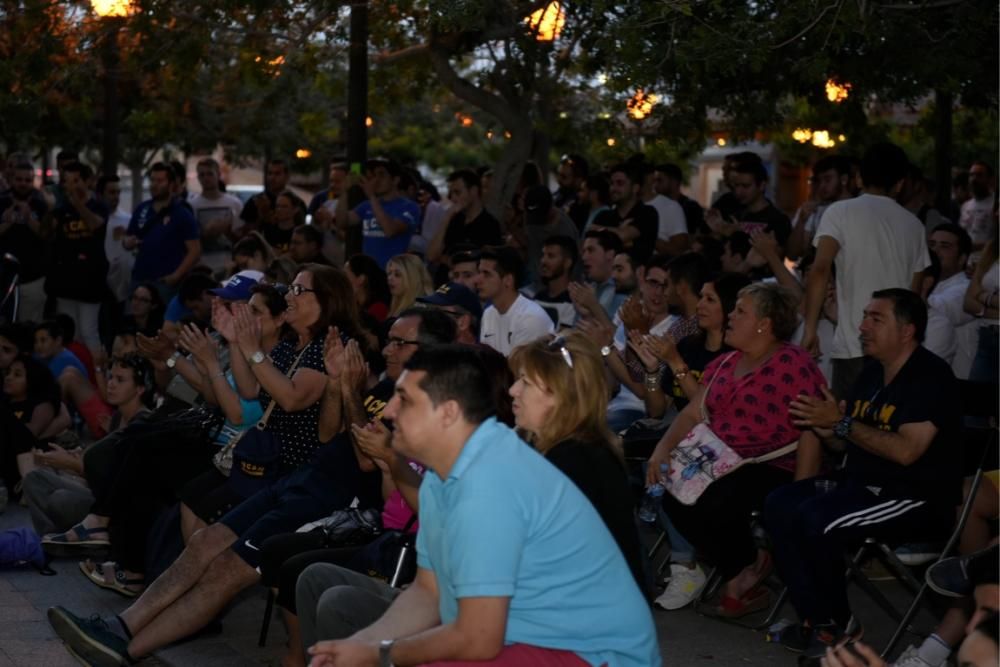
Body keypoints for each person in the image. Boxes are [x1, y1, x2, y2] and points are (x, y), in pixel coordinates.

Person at [306, 345, 661, 667]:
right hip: (529, 637)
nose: (389, 409)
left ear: (447, 413)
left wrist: (379, 654)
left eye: (404, 399)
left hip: (592, 653)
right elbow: (429, 592)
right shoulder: (441, 475)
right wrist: (362, 642)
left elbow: (477, 639)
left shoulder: (491, 480)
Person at [771, 289, 962, 663]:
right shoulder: (872, 372)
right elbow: (848, 445)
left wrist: (840, 423)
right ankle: (821, 619)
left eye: (876, 319)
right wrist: (828, 427)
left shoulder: (930, 376)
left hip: (913, 495)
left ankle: (833, 626)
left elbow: (907, 452)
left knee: (816, 520)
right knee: (780, 504)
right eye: (865, 317)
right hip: (863, 483)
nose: (862, 327)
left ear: (907, 331)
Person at [646, 282, 826, 614]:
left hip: (771, 465)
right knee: (668, 487)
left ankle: (743, 571)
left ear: (765, 323)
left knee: (715, 497)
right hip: (718, 458)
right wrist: (662, 450)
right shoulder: (725, 363)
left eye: (740, 311)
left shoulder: (794, 364)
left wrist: (800, 493)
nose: (730, 316)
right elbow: (691, 413)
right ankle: (747, 565)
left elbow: (813, 429)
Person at [508, 332, 648, 595]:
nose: (513, 390)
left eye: (525, 382)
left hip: (589, 613)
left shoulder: (575, 462)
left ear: (561, 395)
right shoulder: (550, 447)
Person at [802, 142, 930, 399]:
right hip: (897, 350)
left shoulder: (839, 212)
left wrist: (810, 328)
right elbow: (913, 297)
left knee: (846, 427)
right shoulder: (914, 225)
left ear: (859, 177)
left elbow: (820, 269)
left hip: (855, 343)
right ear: (900, 183)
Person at [636, 273, 751, 420]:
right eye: (701, 297)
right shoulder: (687, 346)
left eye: (710, 299)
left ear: (729, 307)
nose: (699, 305)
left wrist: (675, 361)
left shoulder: (736, 355)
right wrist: (651, 370)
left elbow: (706, 410)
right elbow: (657, 410)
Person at [45, 161, 109, 354]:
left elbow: (96, 225)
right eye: (67, 182)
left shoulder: (98, 205)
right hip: (66, 278)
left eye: (76, 180)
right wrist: (50, 209)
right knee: (68, 331)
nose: (71, 186)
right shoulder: (61, 208)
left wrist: (78, 204)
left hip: (91, 279)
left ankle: (97, 374)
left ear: (87, 181)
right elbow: (46, 233)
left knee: (88, 331)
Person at [125, 162, 201, 301]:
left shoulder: (181, 213)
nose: (154, 184)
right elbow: (128, 238)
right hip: (139, 279)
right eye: (152, 180)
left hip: (164, 283)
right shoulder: (142, 209)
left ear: (171, 184)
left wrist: (176, 276)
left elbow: (195, 251)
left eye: (160, 181)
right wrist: (127, 242)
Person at [336, 158, 421, 270]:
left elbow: (390, 231)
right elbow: (342, 222)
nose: (376, 180)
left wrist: (371, 196)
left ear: (395, 180)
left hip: (394, 271)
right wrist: (344, 192)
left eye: (381, 175)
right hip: (369, 272)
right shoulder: (367, 205)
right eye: (374, 176)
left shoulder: (410, 207)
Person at [1, 353, 63, 495]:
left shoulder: (41, 404)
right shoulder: (5, 402)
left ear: (32, 380)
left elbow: (27, 437)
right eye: (8, 373)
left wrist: (5, 416)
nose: (8, 378)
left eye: (17, 375)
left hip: (28, 461)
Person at [477, 246, 553, 356]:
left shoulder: (531, 318)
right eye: (479, 272)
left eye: (486, 274)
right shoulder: (488, 314)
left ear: (508, 280)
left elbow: (521, 370)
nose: (478, 280)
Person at [0, 159, 49, 323]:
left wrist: (29, 218)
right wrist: (7, 223)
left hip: (33, 278)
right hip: (4, 278)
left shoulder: (42, 203)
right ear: (11, 179)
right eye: (19, 179)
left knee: (31, 328)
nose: (23, 184)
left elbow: (47, 235)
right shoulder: (2, 202)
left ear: (33, 180)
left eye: (27, 180)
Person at [924, 224, 975, 369]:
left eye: (944, 246)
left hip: (964, 382)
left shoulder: (966, 288)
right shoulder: (929, 284)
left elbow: (939, 310)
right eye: (932, 244)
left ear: (962, 259)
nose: (935, 251)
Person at [426, 168, 502, 264]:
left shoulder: (489, 224)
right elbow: (431, 255)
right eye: (451, 193)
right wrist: (446, 218)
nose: (453, 198)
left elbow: (485, 262)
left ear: (473, 191)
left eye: (457, 192)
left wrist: (448, 259)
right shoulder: (454, 220)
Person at [591, 162, 659, 264]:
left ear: (635, 188)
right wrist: (621, 235)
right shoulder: (603, 216)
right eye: (611, 183)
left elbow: (622, 235)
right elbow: (590, 236)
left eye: (620, 183)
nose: (613, 188)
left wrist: (605, 232)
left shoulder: (647, 213)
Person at [190, 157, 244, 271]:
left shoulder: (234, 203)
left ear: (218, 174)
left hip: (230, 266)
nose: (206, 178)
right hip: (201, 267)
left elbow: (242, 238)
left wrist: (227, 230)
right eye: (202, 175)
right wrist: (206, 232)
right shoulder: (191, 206)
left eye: (210, 174)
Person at [575, 229, 627, 320]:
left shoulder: (622, 291)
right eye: (584, 252)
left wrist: (592, 306)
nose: (584, 257)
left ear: (610, 254)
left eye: (591, 250)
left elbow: (612, 332)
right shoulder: (588, 288)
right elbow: (576, 328)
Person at [531, 235, 578, 329]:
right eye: (543, 255)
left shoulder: (573, 302)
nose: (543, 261)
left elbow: (562, 340)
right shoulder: (538, 297)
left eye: (551, 256)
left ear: (567, 263)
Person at [416, 281, 482, 346]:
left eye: (439, 314)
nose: (431, 318)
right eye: (430, 311)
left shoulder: (483, 355)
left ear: (463, 322)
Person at [239, 158, 290, 234]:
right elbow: (247, 232)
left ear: (286, 176)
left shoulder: (294, 202)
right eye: (270, 173)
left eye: (277, 174)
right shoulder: (255, 201)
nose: (272, 178)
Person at [654, 163, 706, 236]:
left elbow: (691, 238)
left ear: (674, 182)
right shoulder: (654, 206)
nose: (655, 185)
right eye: (654, 181)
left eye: (660, 180)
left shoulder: (691, 207)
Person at [345, 254, 391, 324]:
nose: (342, 279)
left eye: (345, 275)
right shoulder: (352, 305)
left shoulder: (378, 309)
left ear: (361, 279)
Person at [960, 161, 995, 250]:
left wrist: (975, 247)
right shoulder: (965, 206)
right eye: (971, 175)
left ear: (990, 179)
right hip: (966, 261)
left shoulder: (996, 204)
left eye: (979, 175)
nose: (974, 179)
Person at [386, 253, 433, 319]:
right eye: (389, 273)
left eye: (397, 274)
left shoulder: (421, 311)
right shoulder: (396, 305)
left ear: (413, 278)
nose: (389, 278)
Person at [261, 191, 306, 256]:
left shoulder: (300, 233)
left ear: (295, 209)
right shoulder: (268, 231)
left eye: (284, 206)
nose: (279, 209)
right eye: (277, 206)